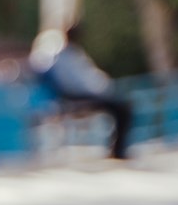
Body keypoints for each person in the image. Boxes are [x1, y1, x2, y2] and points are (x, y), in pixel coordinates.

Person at [34, 24, 133, 160]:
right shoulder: (61, 55)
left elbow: (89, 77)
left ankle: (117, 149)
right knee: (122, 109)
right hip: (76, 97)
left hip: (86, 94)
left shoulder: (73, 53)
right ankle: (118, 151)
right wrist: (100, 90)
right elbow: (76, 83)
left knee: (122, 106)